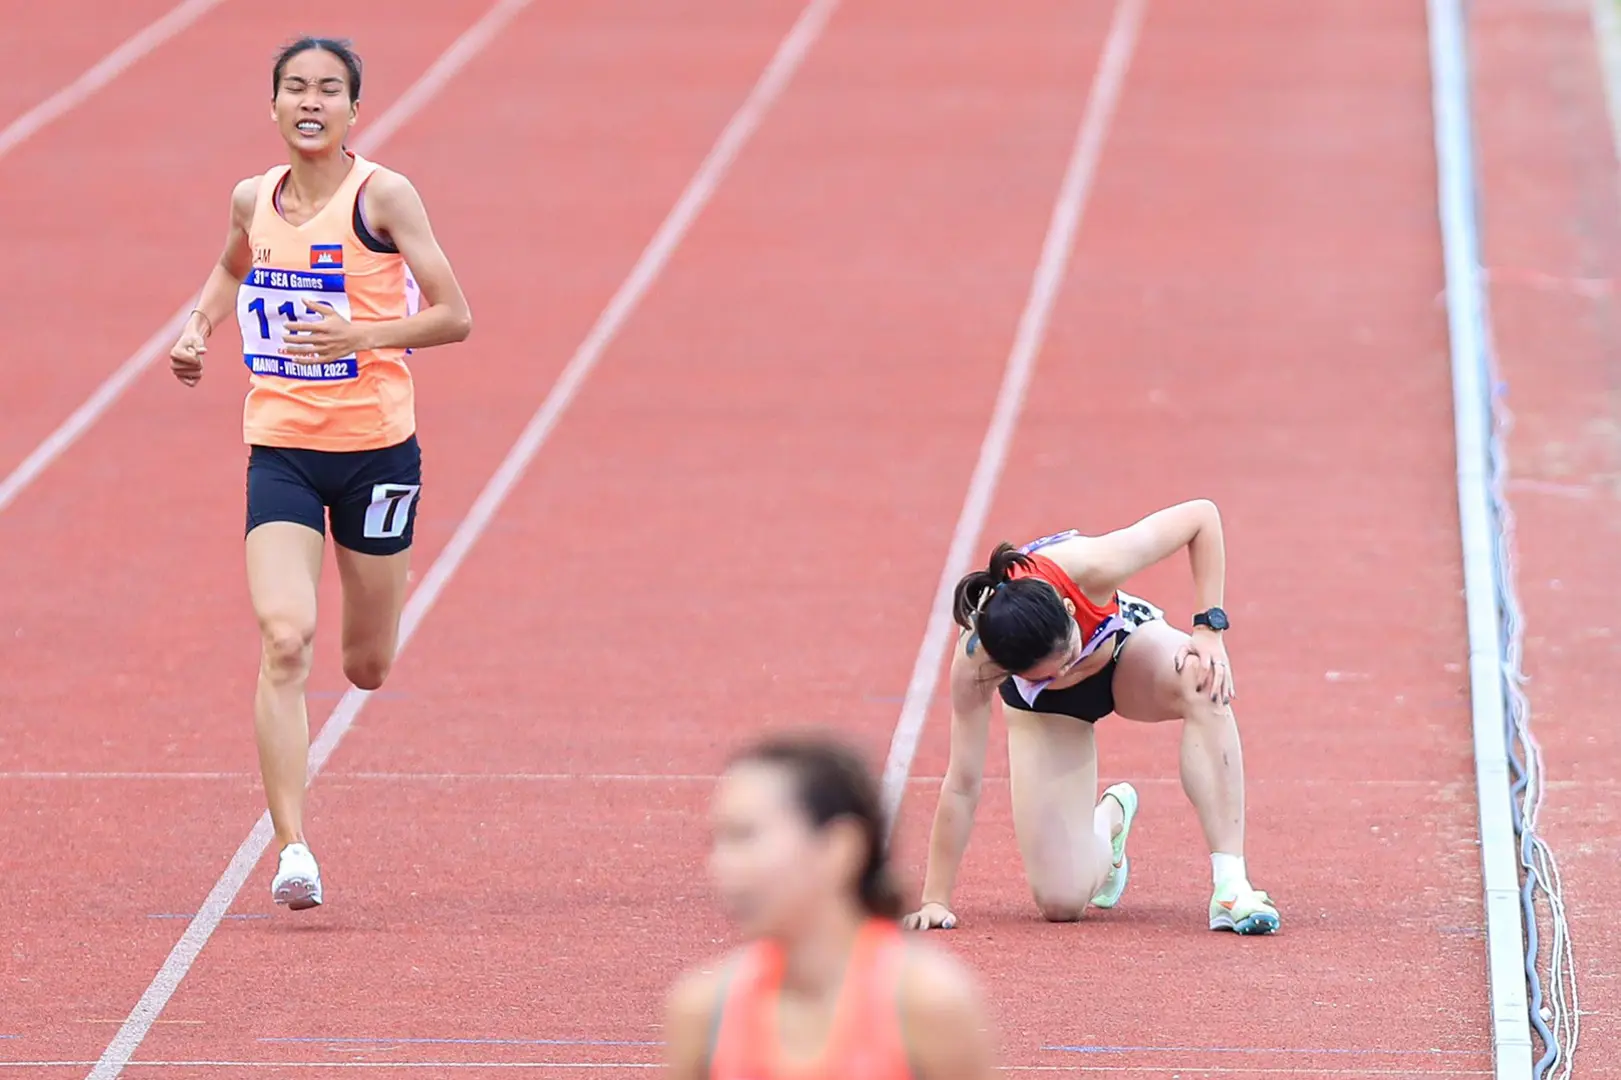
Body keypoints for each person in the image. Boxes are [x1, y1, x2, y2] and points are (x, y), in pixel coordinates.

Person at [167, 36, 472, 910]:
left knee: (367, 665)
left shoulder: (384, 196)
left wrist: (361, 336)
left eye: (328, 89)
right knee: (284, 639)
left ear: (352, 109)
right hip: (284, 449)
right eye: (294, 87)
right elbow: (233, 266)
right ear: (271, 105)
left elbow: (455, 315)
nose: (310, 101)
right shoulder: (250, 197)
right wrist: (198, 330)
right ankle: (292, 848)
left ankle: (378, 596)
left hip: (377, 452)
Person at [900, 499, 1279, 936]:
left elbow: (1202, 517)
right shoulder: (976, 664)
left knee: (1201, 677)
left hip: (1124, 656)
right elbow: (962, 783)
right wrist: (935, 899)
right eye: (1050, 672)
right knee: (1062, 902)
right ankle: (1113, 817)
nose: (1066, 671)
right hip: (1048, 712)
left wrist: (1208, 629)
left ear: (1066, 607)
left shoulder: (1091, 565)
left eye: (1068, 655)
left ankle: (1231, 884)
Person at [664, 733, 997, 1080]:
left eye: (745, 836)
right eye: (717, 841)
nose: (722, 865)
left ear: (840, 848)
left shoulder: (927, 1007)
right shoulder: (705, 1012)